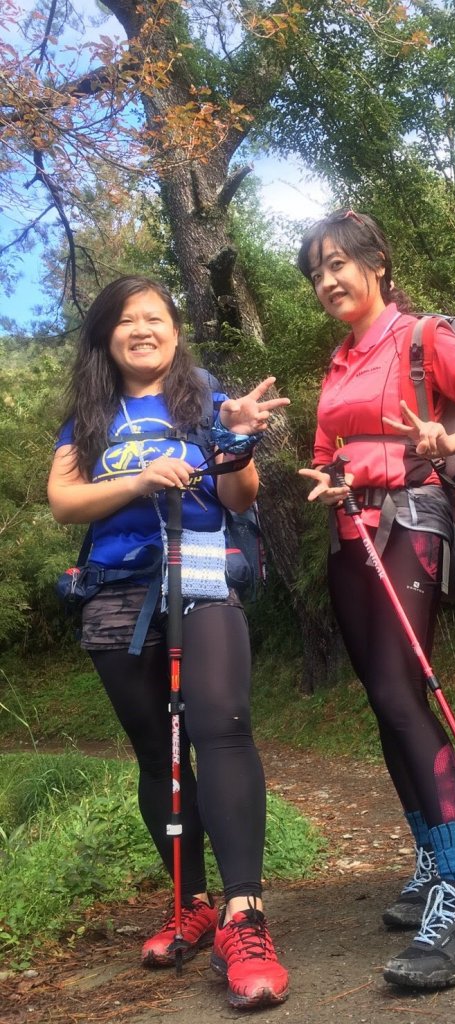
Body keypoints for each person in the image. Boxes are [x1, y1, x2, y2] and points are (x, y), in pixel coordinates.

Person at [48, 276, 291, 1010]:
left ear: (176, 331)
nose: (143, 328)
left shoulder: (207, 402)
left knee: (222, 727)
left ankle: (243, 917)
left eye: (156, 317)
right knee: (157, 751)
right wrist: (138, 480)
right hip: (115, 591)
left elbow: (239, 497)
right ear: (106, 336)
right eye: (127, 320)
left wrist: (238, 439)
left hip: (202, 575)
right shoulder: (90, 418)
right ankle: (191, 900)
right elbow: (64, 501)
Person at [295, 210, 455, 991]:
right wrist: (329, 476)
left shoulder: (422, 337)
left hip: (411, 522)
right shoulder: (335, 363)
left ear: (377, 263)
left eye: (338, 264)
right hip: (348, 536)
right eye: (316, 272)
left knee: (399, 693)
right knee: (380, 699)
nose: (327, 280)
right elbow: (329, 453)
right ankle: (432, 860)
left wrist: (446, 442)